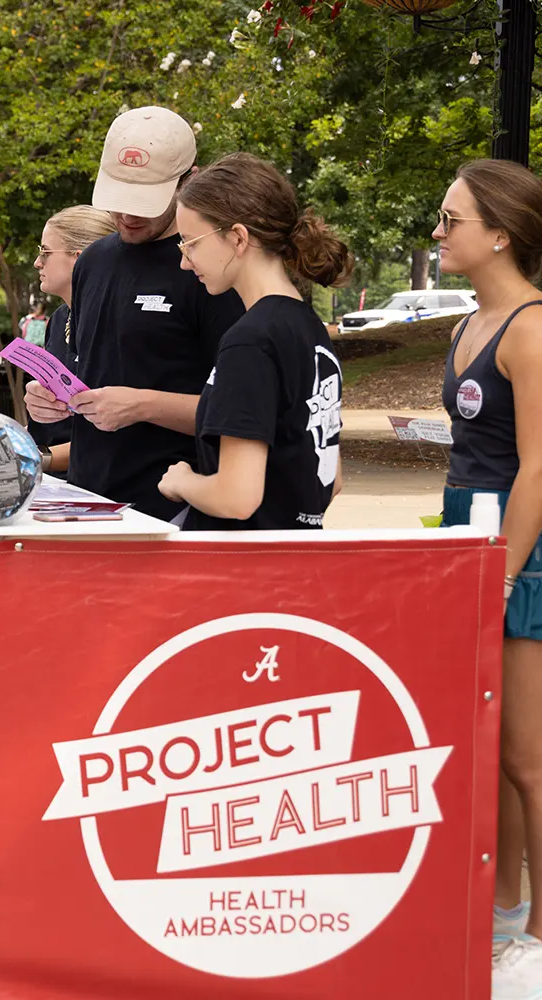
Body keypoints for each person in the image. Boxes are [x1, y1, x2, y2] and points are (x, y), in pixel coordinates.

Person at [427, 160, 542, 999]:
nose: (438, 232)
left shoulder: (533, 329)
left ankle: (538, 932)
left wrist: (501, 570)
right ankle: (503, 908)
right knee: (489, 743)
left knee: (529, 758)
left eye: (451, 219)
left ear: (500, 233)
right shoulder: (470, 324)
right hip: (468, 537)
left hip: (517, 548)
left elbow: (539, 463)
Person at [25, 106, 245, 522]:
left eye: (145, 201)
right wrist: (50, 400)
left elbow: (242, 413)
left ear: (190, 182)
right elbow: (88, 379)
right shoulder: (93, 262)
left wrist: (141, 406)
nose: (127, 215)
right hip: (87, 499)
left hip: (173, 506)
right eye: (119, 197)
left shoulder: (212, 271)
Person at [156, 153, 347, 527]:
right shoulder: (310, 329)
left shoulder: (250, 341)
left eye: (189, 244)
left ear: (238, 237)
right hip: (299, 559)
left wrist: (184, 482)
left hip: (243, 568)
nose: (183, 261)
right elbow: (331, 479)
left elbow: (237, 498)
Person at [29, 205, 117, 475]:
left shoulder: (117, 323)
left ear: (80, 259)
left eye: (45, 252)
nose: (37, 263)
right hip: (56, 484)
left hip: (100, 489)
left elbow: (112, 435)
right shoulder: (58, 319)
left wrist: (31, 459)